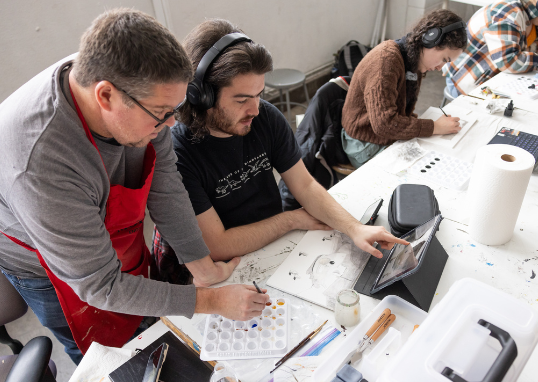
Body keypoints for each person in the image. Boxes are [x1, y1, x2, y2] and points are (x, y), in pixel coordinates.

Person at [0, 9, 268, 365]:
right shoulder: (39, 164)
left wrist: (202, 266)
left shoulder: (133, 89)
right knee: (106, 357)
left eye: (175, 109)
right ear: (105, 97)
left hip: (103, 224)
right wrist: (211, 301)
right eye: (163, 113)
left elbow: (166, 187)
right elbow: (99, 287)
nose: (170, 125)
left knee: (148, 322)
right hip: (41, 258)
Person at [151, 19, 408, 282]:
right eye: (241, 100)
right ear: (200, 95)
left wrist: (355, 228)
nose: (255, 109)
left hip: (269, 246)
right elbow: (218, 244)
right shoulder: (178, 152)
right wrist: (290, 220)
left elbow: (305, 186)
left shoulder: (265, 118)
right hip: (219, 271)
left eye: (259, 94)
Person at [341, 9, 468, 169]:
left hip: (385, 134)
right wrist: (434, 126)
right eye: (444, 59)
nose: (440, 68)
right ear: (430, 40)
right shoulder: (386, 61)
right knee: (426, 169)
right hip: (365, 142)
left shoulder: (414, 61)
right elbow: (384, 124)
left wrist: (431, 127)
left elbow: (402, 113)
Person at [443, 0, 538, 97]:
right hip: (465, 81)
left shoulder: (533, 18)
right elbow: (508, 62)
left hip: (493, 76)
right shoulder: (507, 15)